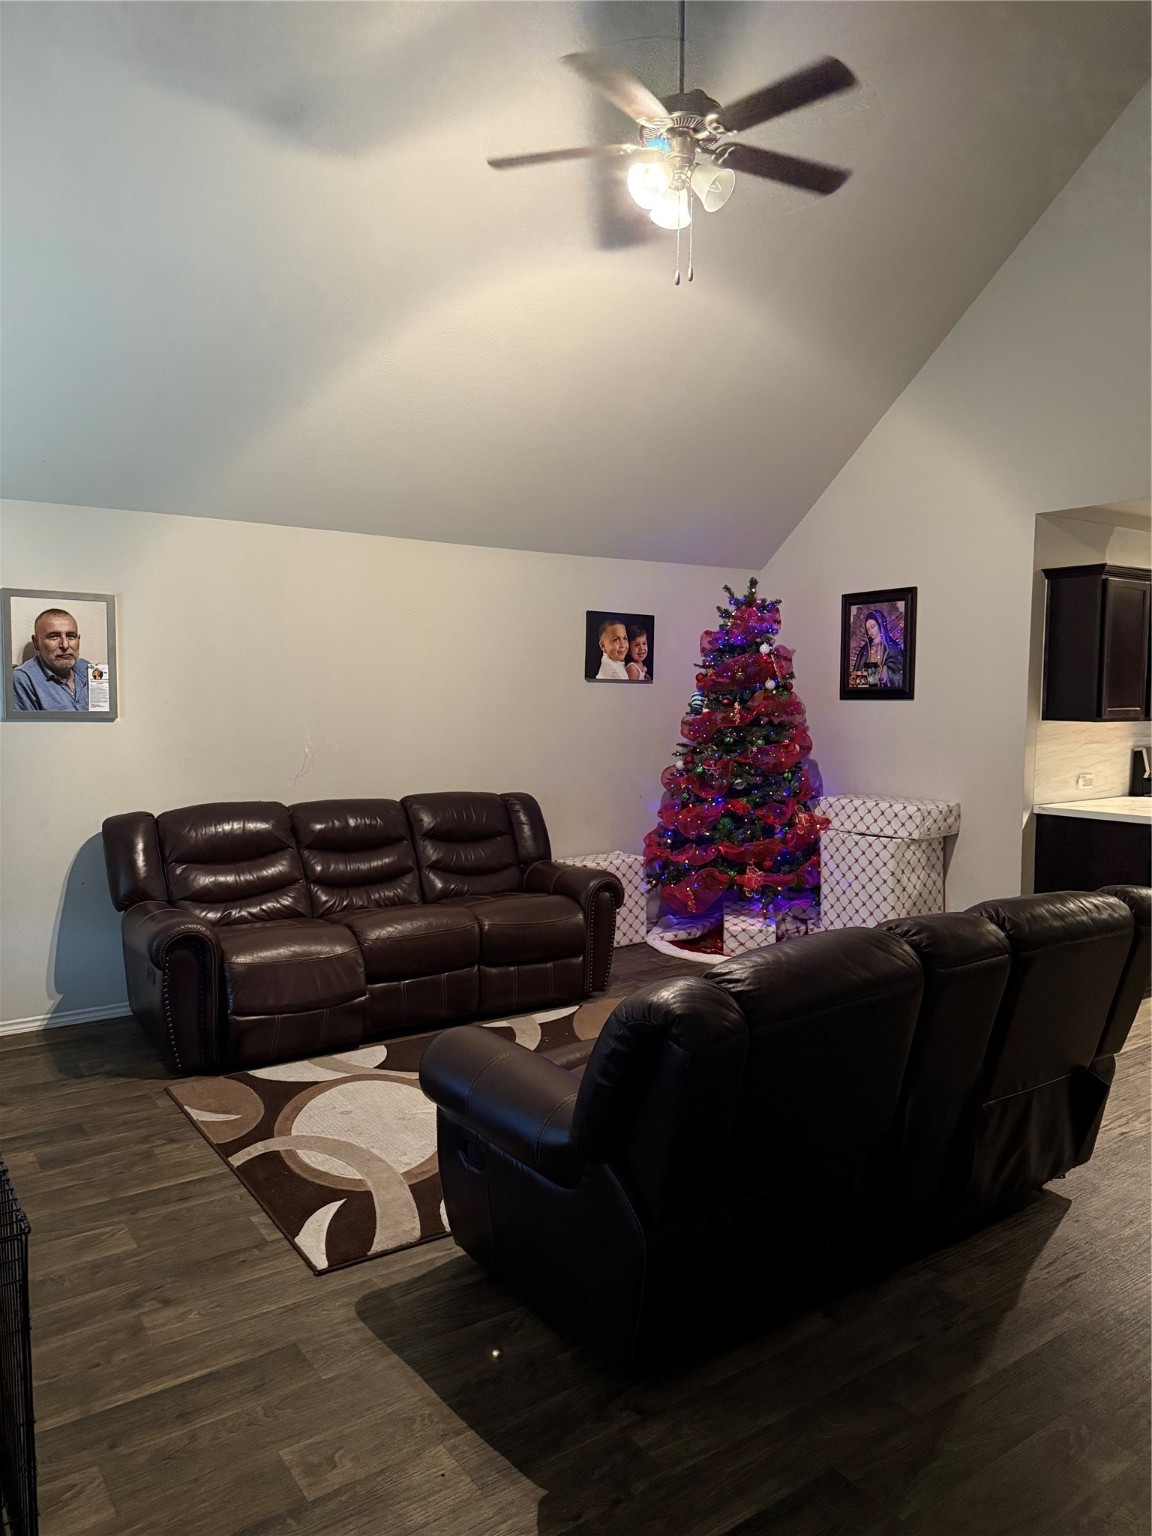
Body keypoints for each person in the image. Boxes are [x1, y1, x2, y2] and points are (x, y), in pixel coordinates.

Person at [11, 609, 95, 711]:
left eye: (71, 636)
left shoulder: (87, 668)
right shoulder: (23, 679)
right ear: (36, 643)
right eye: (54, 637)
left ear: (78, 639)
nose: (65, 645)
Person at [851, 609, 903, 689]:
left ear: (880, 624)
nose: (870, 631)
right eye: (868, 629)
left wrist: (882, 672)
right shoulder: (864, 650)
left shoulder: (894, 647)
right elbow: (855, 679)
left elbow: (899, 676)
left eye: (873, 627)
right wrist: (873, 674)